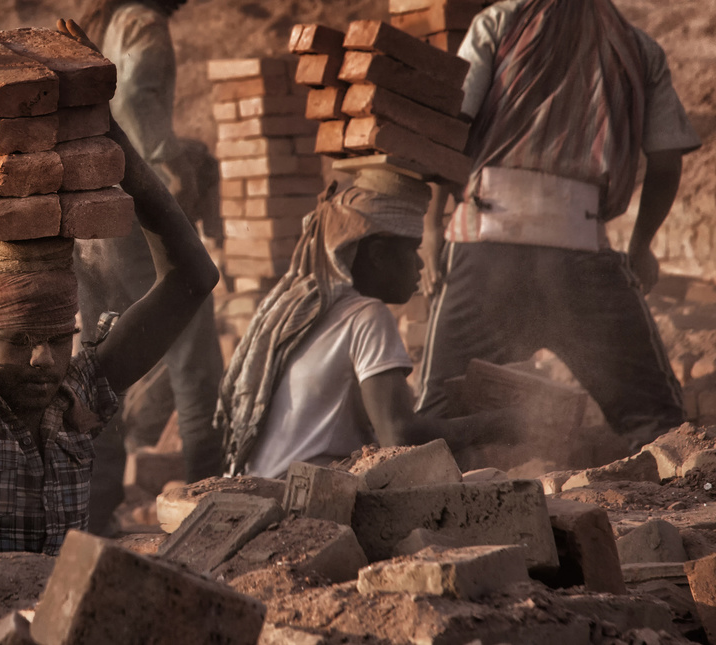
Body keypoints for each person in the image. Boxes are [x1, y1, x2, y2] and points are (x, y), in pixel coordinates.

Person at [0, 23, 219, 568]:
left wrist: (110, 147)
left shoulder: (75, 399)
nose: (45, 360)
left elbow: (193, 279)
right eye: (17, 341)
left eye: (61, 339)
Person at [415, 0, 701, 451]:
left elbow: (448, 126)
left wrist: (432, 227)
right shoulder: (637, 46)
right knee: (659, 424)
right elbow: (665, 161)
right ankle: (688, 512)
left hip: (487, 248)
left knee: (437, 421)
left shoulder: (498, 24)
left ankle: (428, 513)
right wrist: (641, 246)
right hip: (580, 251)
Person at [217, 176, 513, 479]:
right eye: (413, 250)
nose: (422, 265)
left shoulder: (307, 309)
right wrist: (504, 424)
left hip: (262, 489)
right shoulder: (366, 315)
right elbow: (399, 436)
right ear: (378, 255)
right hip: (308, 502)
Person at [75, 0, 225, 532]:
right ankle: (212, 498)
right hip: (139, 214)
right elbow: (136, 96)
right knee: (196, 361)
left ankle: (93, 511)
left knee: (98, 363)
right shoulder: (144, 23)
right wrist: (170, 166)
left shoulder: (110, 24)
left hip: (99, 219)